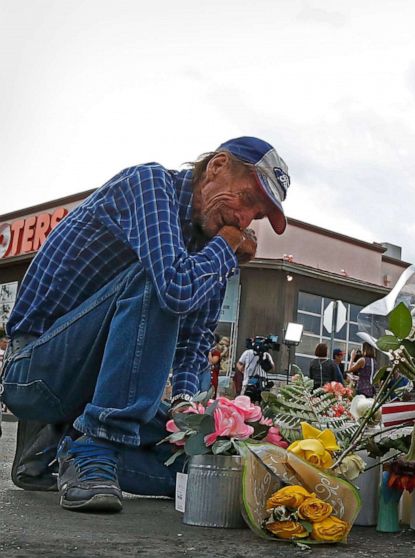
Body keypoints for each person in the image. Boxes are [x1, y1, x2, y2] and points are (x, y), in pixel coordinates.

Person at [1, 137, 291, 513]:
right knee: (157, 280)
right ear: (217, 167)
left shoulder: (209, 245)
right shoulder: (150, 185)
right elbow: (173, 289)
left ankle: (57, 454)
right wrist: (227, 246)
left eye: (257, 217)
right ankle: (96, 444)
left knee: (200, 466)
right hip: (37, 373)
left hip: (96, 391)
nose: (244, 220)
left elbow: (194, 342)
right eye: (248, 199)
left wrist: (186, 409)